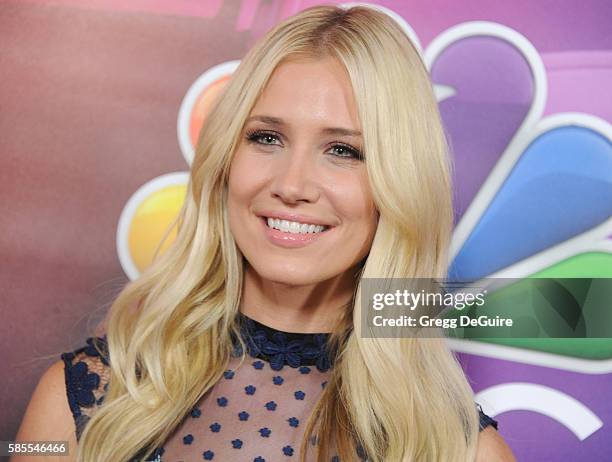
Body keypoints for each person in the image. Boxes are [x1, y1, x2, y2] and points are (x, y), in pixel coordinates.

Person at [13, 5, 516, 462]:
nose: (292, 186)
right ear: (225, 160)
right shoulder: (77, 397)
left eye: (343, 150)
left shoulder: (459, 450)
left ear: (399, 185)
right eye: (266, 138)